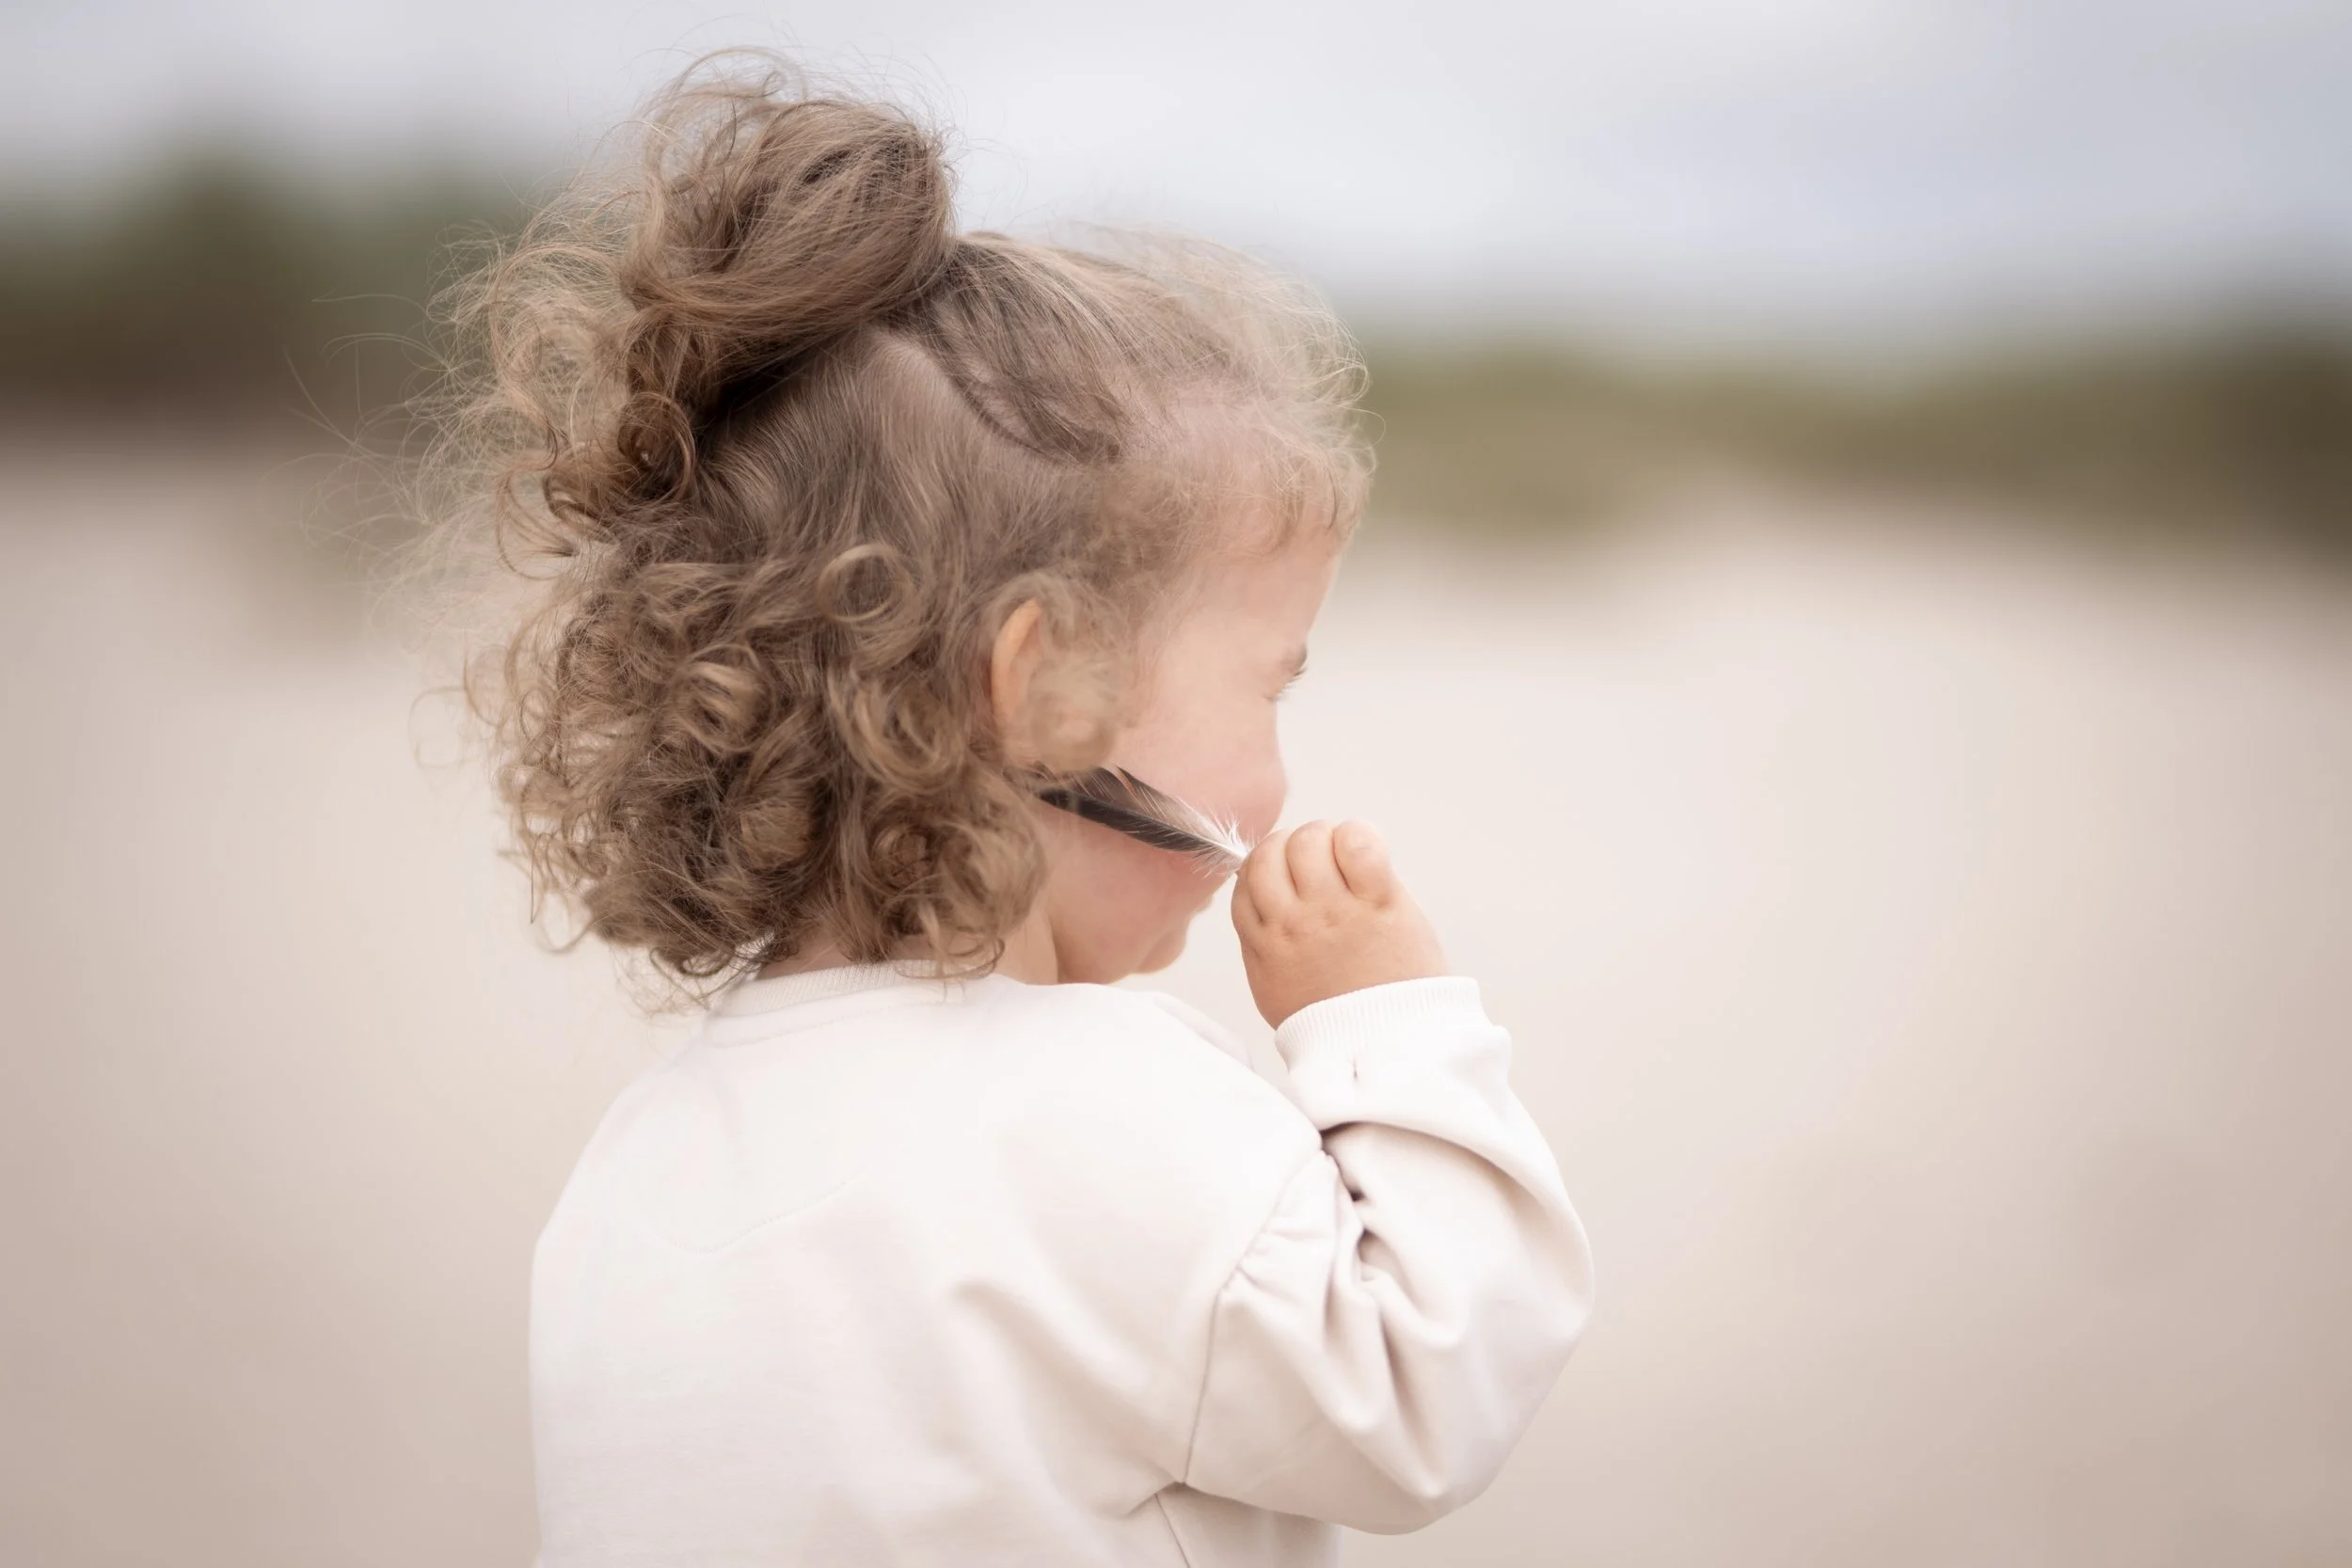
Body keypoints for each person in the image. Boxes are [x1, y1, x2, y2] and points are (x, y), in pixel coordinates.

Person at [415, 49, 1593, 1568]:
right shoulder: (1107, 1102)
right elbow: (1432, 1383)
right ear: (1041, 695)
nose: (1279, 769)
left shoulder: (625, 1177)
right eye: (1269, 685)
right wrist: (1392, 1028)